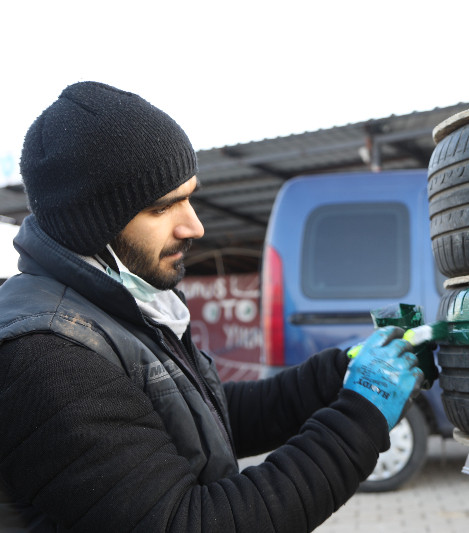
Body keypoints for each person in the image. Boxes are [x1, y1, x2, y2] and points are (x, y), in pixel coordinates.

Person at [0, 81, 426, 532]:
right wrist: (363, 415)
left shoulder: (123, 308)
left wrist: (338, 374)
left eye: (189, 196)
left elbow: (204, 420)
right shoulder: (47, 353)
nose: (194, 226)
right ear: (92, 224)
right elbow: (191, 523)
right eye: (163, 208)